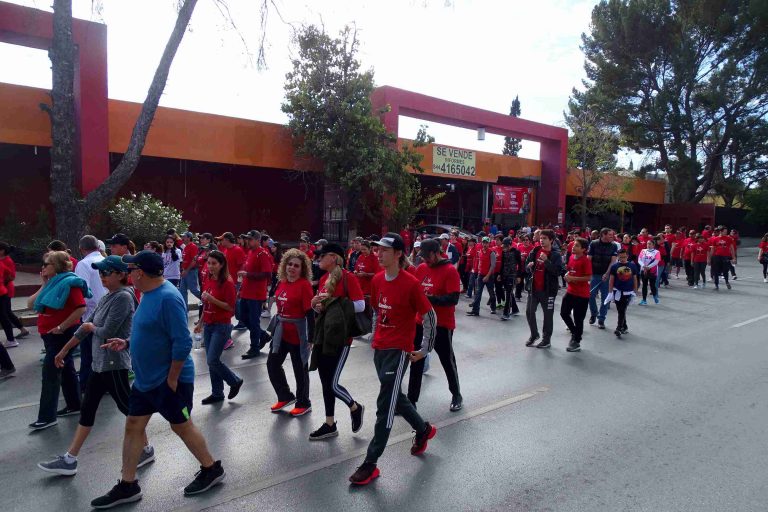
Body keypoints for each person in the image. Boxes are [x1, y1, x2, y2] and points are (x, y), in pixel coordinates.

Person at [91, 250, 225, 508]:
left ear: (140, 272)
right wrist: (128, 341)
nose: (128, 273)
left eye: (130, 269)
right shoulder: (147, 294)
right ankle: (127, 485)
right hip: (146, 380)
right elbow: (152, 331)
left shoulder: (168, 298)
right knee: (133, 425)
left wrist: (172, 379)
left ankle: (211, 469)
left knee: (181, 426)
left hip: (168, 380)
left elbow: (182, 342)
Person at [37, 256, 155, 476]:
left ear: (120, 275)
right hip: (100, 365)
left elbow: (107, 330)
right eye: (100, 273)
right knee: (88, 410)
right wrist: (65, 350)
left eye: (106, 273)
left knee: (130, 411)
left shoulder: (123, 297)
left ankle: (146, 449)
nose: (102, 277)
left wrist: (91, 327)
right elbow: (84, 326)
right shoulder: (107, 296)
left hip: (114, 364)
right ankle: (70, 459)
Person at [348, 233, 437, 486]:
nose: (378, 253)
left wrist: (425, 349)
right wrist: (375, 337)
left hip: (399, 351)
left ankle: (371, 463)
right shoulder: (377, 279)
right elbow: (377, 310)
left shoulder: (411, 283)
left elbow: (429, 315)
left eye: (384, 250)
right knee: (394, 395)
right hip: (380, 349)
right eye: (377, 249)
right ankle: (423, 430)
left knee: (385, 406)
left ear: (398, 254)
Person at [308, 243, 366, 440]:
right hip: (324, 334)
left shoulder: (348, 277)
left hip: (342, 338)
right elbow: (322, 309)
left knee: (332, 383)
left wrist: (332, 301)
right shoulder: (324, 278)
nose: (318, 259)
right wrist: (316, 304)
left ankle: (355, 407)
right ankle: (330, 423)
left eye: (321, 256)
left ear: (333, 257)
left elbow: (360, 305)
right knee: (326, 382)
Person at [27, 251, 89, 429]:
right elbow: (31, 304)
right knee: (66, 368)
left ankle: (47, 416)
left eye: (47, 264)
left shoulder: (70, 282)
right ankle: (75, 404)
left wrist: (61, 326)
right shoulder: (51, 283)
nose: (43, 267)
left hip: (62, 334)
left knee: (50, 373)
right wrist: (43, 284)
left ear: (57, 266)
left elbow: (81, 308)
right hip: (49, 334)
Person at [408, 239, 463, 411]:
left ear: (436, 252)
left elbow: (453, 298)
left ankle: (456, 394)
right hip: (420, 322)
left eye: (427, 256)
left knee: (447, 360)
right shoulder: (422, 269)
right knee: (416, 360)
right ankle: (411, 401)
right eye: (422, 256)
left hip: (442, 324)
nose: (425, 260)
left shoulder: (450, 271)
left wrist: (430, 299)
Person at [267, 249, 314, 417]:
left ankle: (304, 402)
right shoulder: (282, 282)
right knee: (272, 364)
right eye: (290, 264)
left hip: (298, 334)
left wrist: (311, 338)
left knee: (299, 370)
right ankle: (285, 396)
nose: (292, 268)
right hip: (282, 332)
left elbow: (310, 313)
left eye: (296, 265)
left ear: (302, 269)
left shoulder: (304, 286)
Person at [195, 250, 243, 404]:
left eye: (214, 263)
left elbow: (230, 308)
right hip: (208, 324)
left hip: (221, 325)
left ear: (222, 265)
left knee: (212, 360)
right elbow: (206, 303)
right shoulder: (208, 279)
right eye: (208, 263)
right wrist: (200, 323)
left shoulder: (227, 283)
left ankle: (234, 380)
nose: (210, 266)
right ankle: (217, 393)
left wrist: (212, 299)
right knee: (212, 362)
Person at [75, 235, 107, 394]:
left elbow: (83, 290)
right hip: (108, 310)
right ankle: (103, 384)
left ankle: (87, 386)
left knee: (88, 354)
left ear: (82, 249)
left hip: (91, 314)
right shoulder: (106, 260)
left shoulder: (84, 264)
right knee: (103, 351)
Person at [524, 229, 563, 349]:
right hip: (534, 288)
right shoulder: (535, 250)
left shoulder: (556, 254)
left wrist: (546, 261)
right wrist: (528, 266)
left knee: (548, 315)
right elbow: (527, 264)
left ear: (551, 240)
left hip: (548, 290)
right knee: (529, 312)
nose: (542, 240)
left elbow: (557, 272)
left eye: (545, 238)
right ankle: (534, 334)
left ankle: (546, 340)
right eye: (541, 238)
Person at [239, 230, 273, 360]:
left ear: (258, 240)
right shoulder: (250, 252)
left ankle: (254, 347)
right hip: (246, 292)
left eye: (251, 239)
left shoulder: (262, 254)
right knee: (243, 317)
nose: (248, 241)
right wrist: (241, 289)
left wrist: (248, 275)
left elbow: (267, 274)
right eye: (247, 239)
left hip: (256, 294)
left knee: (254, 321)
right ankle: (263, 335)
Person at [560, 237, 592, 352]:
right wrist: (567, 276)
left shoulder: (586, 260)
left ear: (583, 249)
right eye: (573, 245)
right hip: (570, 291)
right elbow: (569, 269)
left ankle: (576, 341)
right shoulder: (572, 257)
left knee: (579, 319)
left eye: (577, 246)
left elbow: (588, 277)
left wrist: (573, 278)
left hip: (582, 295)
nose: (573, 247)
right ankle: (575, 333)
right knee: (564, 313)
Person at [586, 228, 618, 330]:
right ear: (603, 235)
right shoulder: (593, 244)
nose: (612, 237)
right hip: (594, 274)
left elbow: (613, 261)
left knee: (605, 298)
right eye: (610, 235)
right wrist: (588, 273)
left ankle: (601, 319)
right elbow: (589, 259)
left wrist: (607, 273)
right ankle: (594, 313)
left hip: (606, 275)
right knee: (590, 296)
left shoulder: (614, 245)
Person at [0, 241, 31, 344]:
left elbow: (11, 276)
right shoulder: (2, 260)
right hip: (4, 288)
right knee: (7, 312)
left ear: (2, 251)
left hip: (6, 288)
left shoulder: (8, 260)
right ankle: (22, 329)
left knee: (6, 312)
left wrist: (3, 282)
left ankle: (18, 332)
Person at [608, 249, 638, 338]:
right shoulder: (614, 266)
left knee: (622, 309)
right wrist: (610, 292)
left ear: (627, 256)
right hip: (617, 291)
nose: (622, 259)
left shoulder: (632, 266)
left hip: (628, 292)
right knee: (620, 310)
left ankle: (619, 328)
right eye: (620, 257)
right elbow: (611, 279)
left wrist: (635, 290)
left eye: (624, 257)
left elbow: (635, 278)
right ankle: (624, 326)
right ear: (618, 257)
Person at [467, 237, 497, 316]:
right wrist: (476, 272)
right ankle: (475, 310)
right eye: (483, 243)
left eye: (486, 243)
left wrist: (487, 276)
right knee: (478, 293)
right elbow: (478, 263)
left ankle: (493, 307)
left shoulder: (491, 253)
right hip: (480, 275)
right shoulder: (479, 252)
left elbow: (493, 265)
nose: (485, 244)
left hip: (489, 276)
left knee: (491, 293)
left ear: (489, 243)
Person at [498, 237, 522, 320]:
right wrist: (500, 274)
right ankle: (515, 309)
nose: (504, 247)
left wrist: (519, 276)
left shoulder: (516, 252)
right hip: (504, 275)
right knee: (509, 292)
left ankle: (506, 313)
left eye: (506, 245)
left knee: (508, 294)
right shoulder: (503, 252)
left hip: (512, 275)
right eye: (504, 245)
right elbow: (502, 264)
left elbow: (520, 265)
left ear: (510, 245)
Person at [178, 231, 201, 309]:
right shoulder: (186, 247)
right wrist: (182, 270)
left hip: (191, 271)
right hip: (185, 271)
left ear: (189, 238)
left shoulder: (193, 246)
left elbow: (194, 261)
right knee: (182, 290)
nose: (182, 238)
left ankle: (206, 301)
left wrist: (186, 270)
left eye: (184, 237)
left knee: (193, 290)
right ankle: (185, 308)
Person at [637, 239, 661, 305]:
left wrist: (648, 267)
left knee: (652, 285)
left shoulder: (657, 252)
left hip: (652, 271)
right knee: (644, 285)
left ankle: (655, 296)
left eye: (650, 244)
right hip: (643, 270)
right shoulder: (643, 251)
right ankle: (644, 300)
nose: (648, 245)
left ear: (653, 245)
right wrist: (643, 266)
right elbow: (639, 259)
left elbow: (656, 261)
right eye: (647, 243)